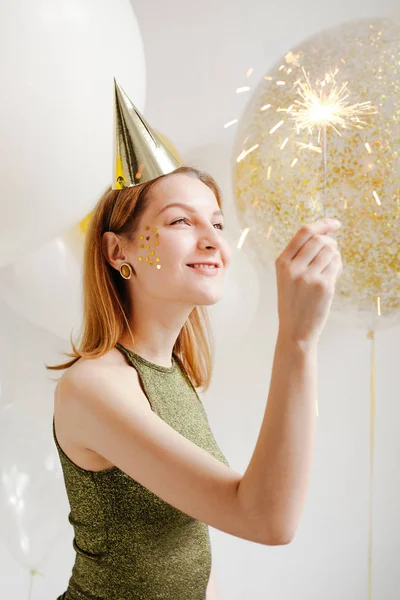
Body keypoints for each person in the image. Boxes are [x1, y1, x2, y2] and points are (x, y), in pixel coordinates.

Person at [46, 82, 343, 600]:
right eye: (181, 221)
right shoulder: (94, 387)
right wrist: (296, 339)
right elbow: (267, 520)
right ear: (119, 252)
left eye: (218, 223)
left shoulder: (175, 371)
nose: (212, 240)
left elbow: (186, 552)